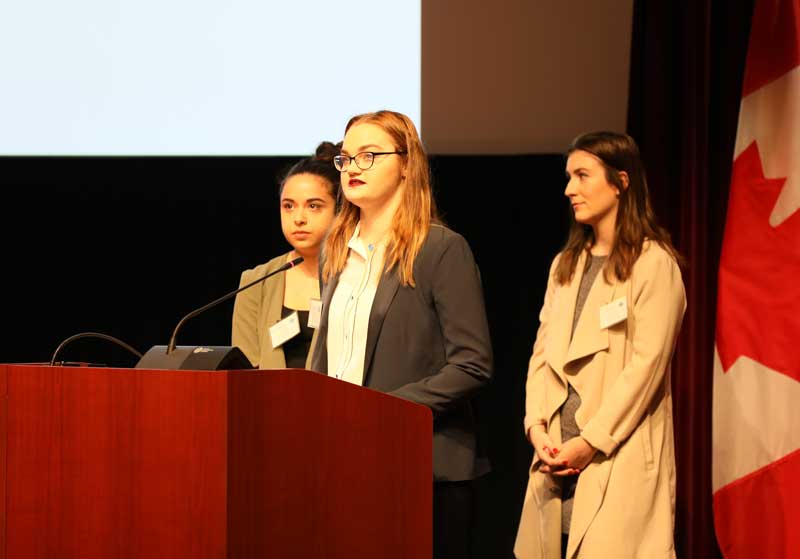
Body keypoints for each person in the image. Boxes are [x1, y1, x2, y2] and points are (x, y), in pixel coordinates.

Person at [309, 110, 493, 559]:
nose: (352, 167)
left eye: (368, 155)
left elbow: (472, 364)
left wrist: (383, 412)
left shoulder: (441, 248)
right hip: (344, 461)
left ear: (408, 164)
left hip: (422, 468)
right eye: (346, 157)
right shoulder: (335, 250)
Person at [514, 131, 686, 559]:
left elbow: (645, 369)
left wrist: (590, 441)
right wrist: (537, 426)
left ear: (620, 182)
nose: (569, 189)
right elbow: (541, 355)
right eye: (569, 176)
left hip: (615, 457)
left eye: (582, 175)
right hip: (557, 462)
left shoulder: (653, 265)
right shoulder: (566, 265)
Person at [231, 141, 340, 369]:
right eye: (289, 206)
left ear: (339, 210)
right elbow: (245, 370)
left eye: (313, 206)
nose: (298, 218)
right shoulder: (256, 282)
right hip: (269, 393)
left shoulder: (357, 275)